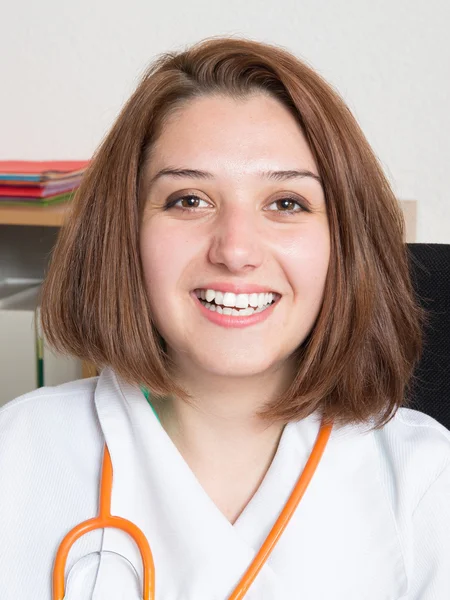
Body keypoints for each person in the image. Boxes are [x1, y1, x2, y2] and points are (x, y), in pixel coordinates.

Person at [0, 36, 449, 600]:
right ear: (124, 234)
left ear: (346, 244)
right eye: (189, 199)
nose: (235, 250)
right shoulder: (16, 456)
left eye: (286, 203)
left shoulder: (425, 480)